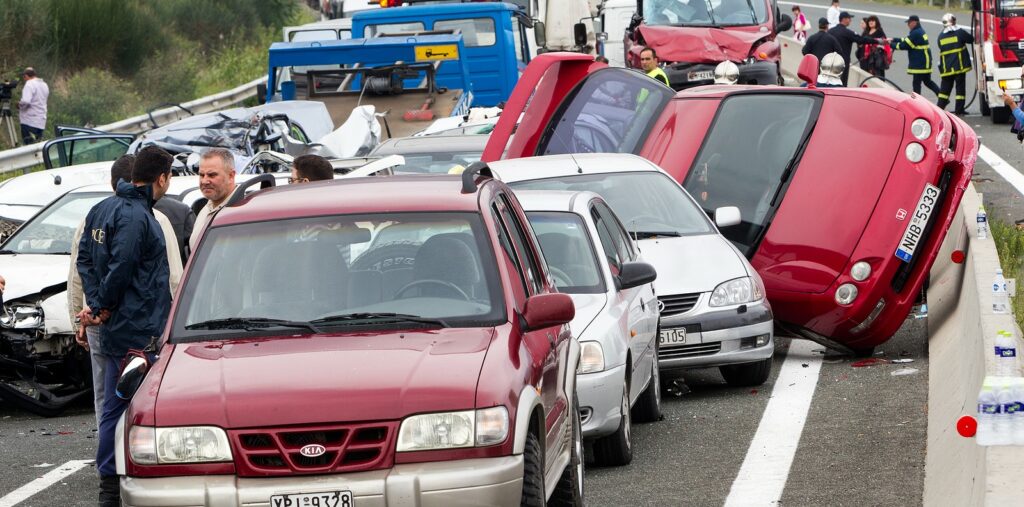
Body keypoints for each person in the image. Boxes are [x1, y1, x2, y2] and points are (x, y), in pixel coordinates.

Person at [76, 146, 173, 507]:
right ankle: (112, 486)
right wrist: (102, 305)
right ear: (161, 178)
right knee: (125, 407)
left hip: (119, 325)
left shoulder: (100, 208)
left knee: (114, 407)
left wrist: (97, 302)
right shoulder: (137, 215)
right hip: (137, 329)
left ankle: (112, 484)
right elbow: (123, 266)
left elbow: (84, 259)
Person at [68, 155, 183, 429]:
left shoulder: (94, 213)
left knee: (106, 396)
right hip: (140, 321)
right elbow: (174, 278)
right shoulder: (154, 219)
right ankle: (124, 456)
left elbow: (78, 268)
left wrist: (85, 312)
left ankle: (107, 453)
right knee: (140, 394)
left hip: (98, 319)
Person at [188, 148, 236, 255]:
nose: (204, 181)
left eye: (212, 175)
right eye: (201, 175)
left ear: (231, 176)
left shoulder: (242, 211)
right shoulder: (206, 209)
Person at [891, 15, 941, 97]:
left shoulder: (916, 33)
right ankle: (943, 98)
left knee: (916, 83)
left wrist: (890, 45)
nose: (908, 25)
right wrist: (895, 39)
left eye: (909, 23)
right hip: (924, 62)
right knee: (927, 82)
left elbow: (904, 45)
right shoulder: (919, 31)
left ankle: (917, 101)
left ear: (914, 22)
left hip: (920, 63)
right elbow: (907, 40)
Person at [829, 12, 882, 86]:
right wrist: (877, 41)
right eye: (849, 18)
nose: (850, 20)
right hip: (843, 62)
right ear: (844, 19)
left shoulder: (830, 31)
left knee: (830, 82)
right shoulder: (847, 33)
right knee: (841, 84)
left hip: (831, 62)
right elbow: (861, 39)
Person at [936, 13, 974, 115]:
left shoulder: (941, 36)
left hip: (946, 69)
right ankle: (959, 110)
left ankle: (939, 109)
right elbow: (971, 39)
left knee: (944, 91)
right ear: (952, 21)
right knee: (960, 90)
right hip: (959, 67)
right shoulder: (959, 33)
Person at [17, 67, 49, 145]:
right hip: (41, 122)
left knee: (29, 146)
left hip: (29, 121)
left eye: (24, 77)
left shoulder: (29, 84)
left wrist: (19, 105)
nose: (24, 79)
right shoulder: (44, 84)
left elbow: (26, 101)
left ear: (26, 76)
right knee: (37, 148)